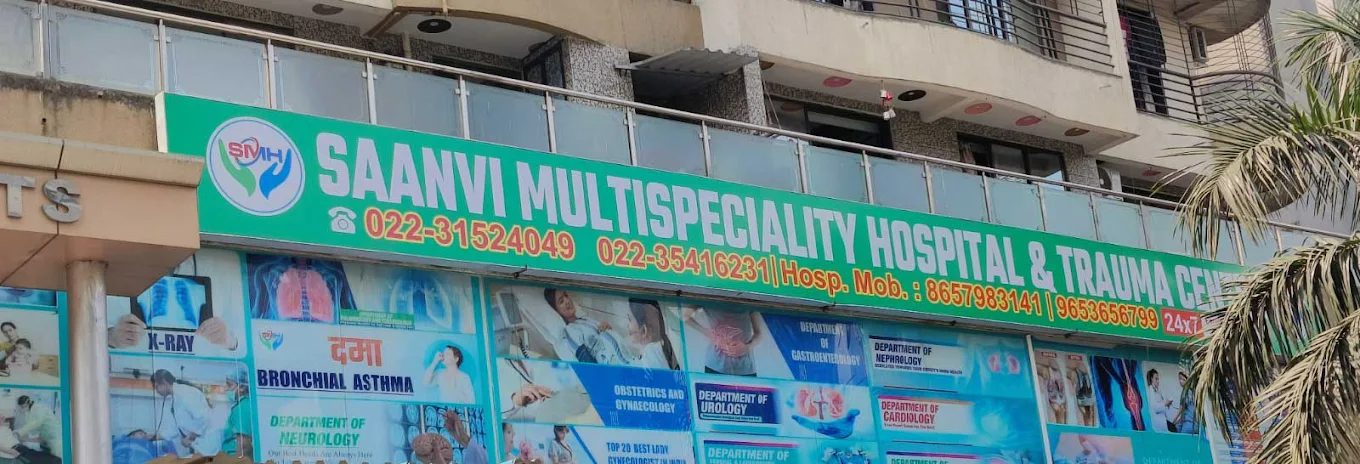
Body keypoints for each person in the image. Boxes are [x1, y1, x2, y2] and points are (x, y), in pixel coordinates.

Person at [543, 289, 621, 365]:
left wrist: (607, 330)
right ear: (556, 311)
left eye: (566, 295)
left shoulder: (585, 320)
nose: (567, 301)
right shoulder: (570, 332)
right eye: (561, 301)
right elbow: (589, 365)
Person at [683, 307, 761, 376]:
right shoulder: (708, 297)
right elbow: (683, 314)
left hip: (745, 367)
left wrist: (748, 347)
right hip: (715, 365)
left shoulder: (748, 299)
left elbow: (759, 333)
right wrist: (705, 332)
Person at [150, 369, 212, 457]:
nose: (156, 391)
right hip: (198, 444)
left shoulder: (185, 394)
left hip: (206, 441)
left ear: (164, 382)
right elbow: (175, 428)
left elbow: (203, 418)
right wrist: (152, 437)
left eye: (156, 387)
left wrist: (190, 437)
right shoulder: (175, 398)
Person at [624, 299, 679, 370]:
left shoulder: (651, 351)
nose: (627, 325)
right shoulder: (667, 347)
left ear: (644, 330)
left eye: (629, 319)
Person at [12, 396, 60, 460]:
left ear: (27, 402)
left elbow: (34, 424)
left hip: (54, 435)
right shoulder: (29, 411)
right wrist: (22, 437)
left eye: (22, 406)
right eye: (21, 407)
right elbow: (30, 427)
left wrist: (18, 433)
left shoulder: (39, 408)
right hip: (45, 436)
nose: (22, 408)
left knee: (57, 456)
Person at [221, 367, 253, 458]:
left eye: (229, 384)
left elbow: (244, 446)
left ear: (242, 387)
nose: (225, 388)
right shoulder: (244, 404)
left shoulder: (242, 408)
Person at [1146, 369, 1178, 433]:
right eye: (1156, 379)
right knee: (1174, 430)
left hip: (1163, 419)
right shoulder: (1150, 392)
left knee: (1175, 428)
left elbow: (1163, 403)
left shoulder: (1157, 391)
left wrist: (1168, 403)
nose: (1158, 381)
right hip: (1158, 422)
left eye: (1158, 379)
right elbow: (1155, 408)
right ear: (1152, 379)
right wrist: (1165, 404)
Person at [1068, 358, 1097, 427]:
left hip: (1085, 400)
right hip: (1084, 400)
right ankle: (1081, 378)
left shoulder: (1087, 414)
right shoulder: (1087, 414)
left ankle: (1081, 378)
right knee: (1083, 390)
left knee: (1084, 389)